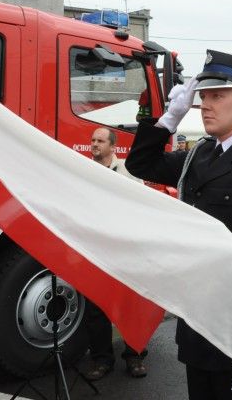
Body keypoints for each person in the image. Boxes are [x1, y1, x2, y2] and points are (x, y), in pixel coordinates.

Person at [125, 50, 232, 400]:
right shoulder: (201, 153)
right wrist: (167, 120)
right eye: (203, 97)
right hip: (197, 310)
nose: (205, 105)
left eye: (218, 96)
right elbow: (141, 163)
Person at [81, 127, 150, 381]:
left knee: (131, 305)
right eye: (92, 140)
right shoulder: (82, 171)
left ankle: (135, 356)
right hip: (96, 250)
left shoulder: (128, 172)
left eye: (100, 141)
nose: (94, 144)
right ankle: (101, 360)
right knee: (96, 307)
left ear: (113, 147)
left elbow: (140, 206)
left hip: (125, 249)